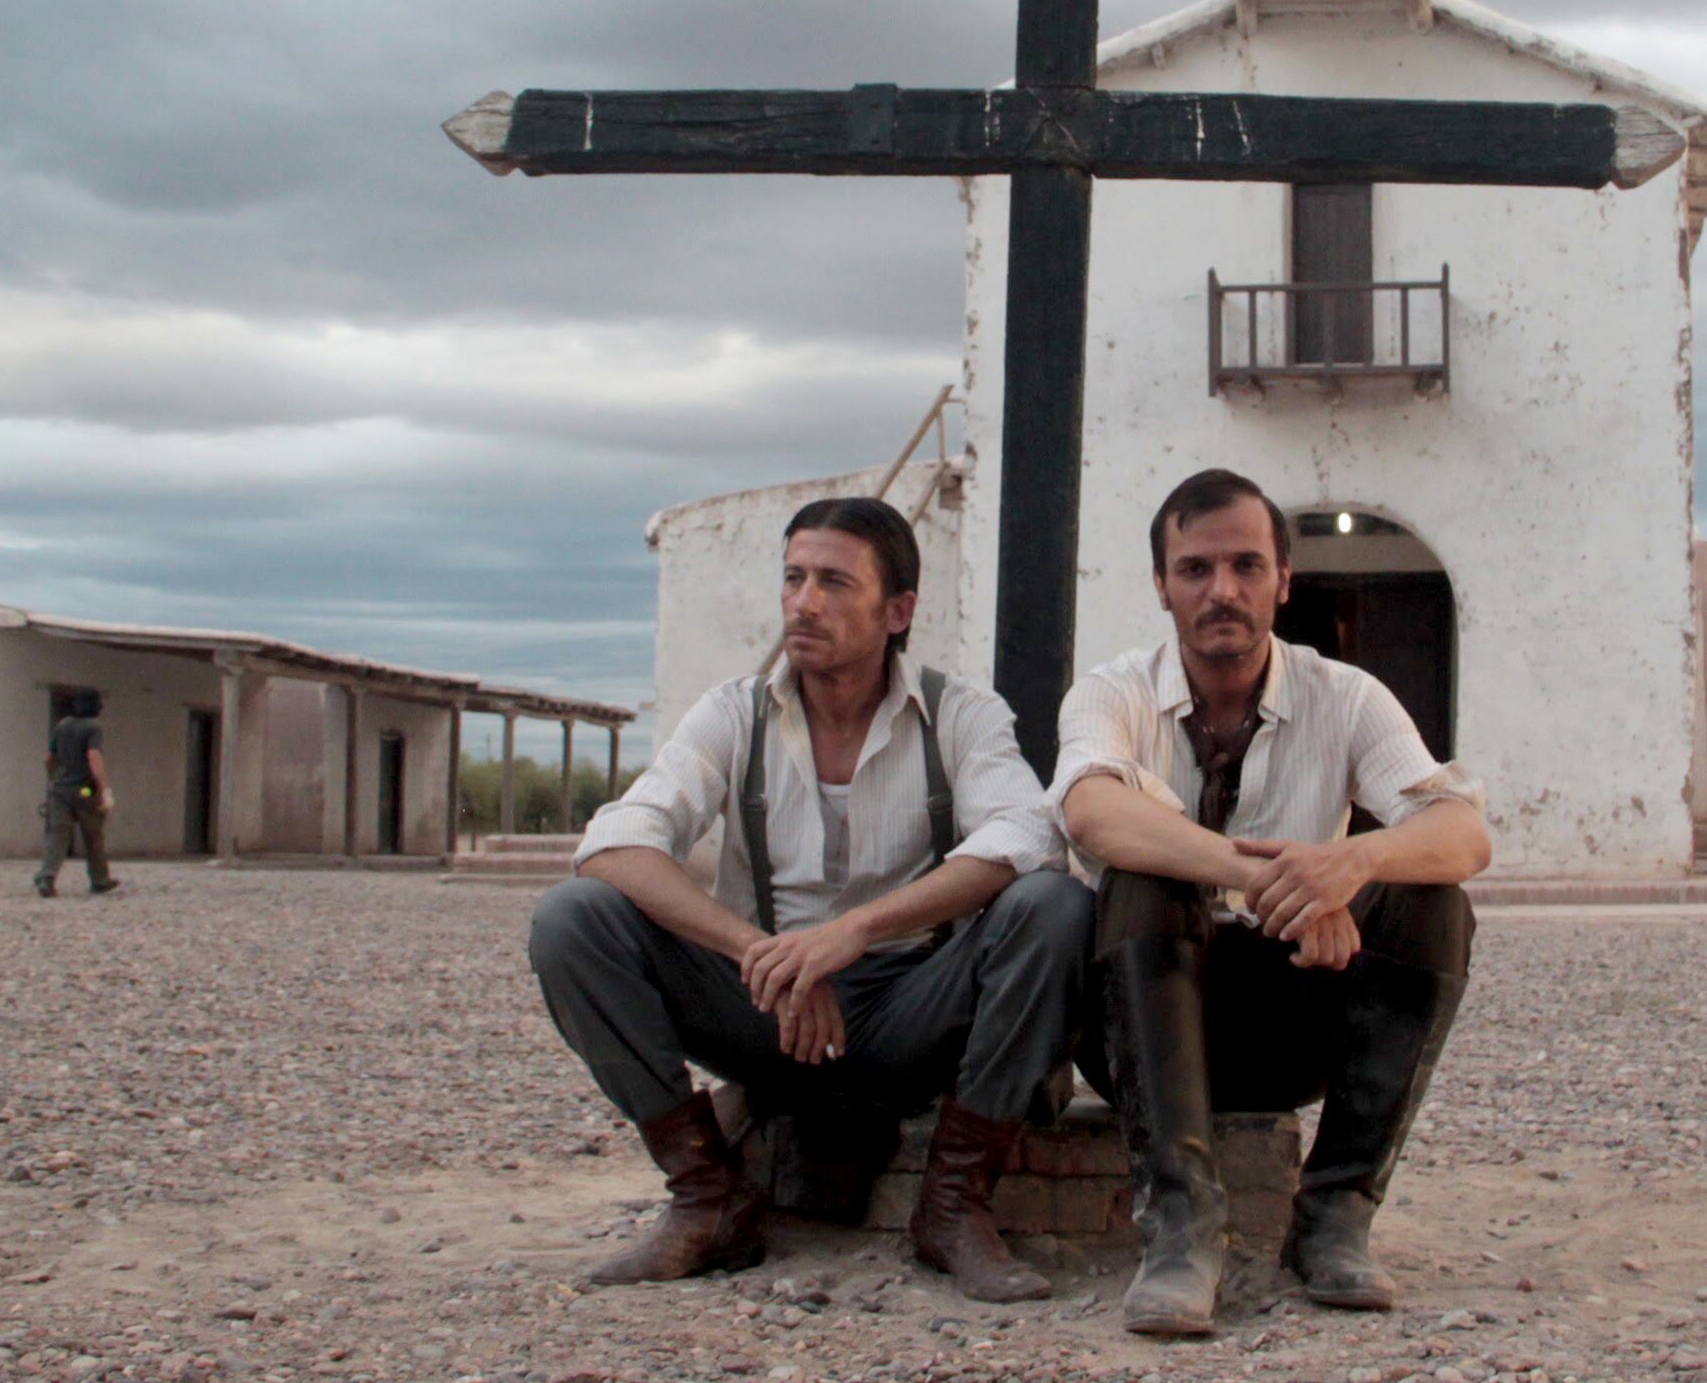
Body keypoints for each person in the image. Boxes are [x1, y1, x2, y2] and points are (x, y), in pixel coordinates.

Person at [530, 496, 1089, 1301]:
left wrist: (854, 932)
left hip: (912, 1006)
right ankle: (706, 1197)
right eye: (793, 577)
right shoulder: (733, 712)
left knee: (1052, 906)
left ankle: (952, 1205)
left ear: (897, 610)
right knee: (570, 919)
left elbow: (1026, 836)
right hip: (766, 1009)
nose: (803, 601)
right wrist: (758, 951)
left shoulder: (959, 713)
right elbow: (615, 843)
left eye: (833, 581)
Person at [1052, 469, 1491, 1337]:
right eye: (1195, 569)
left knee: (1433, 905)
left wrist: (1349, 863)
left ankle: (1334, 1213)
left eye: (1247, 565)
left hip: (1296, 1022)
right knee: (1142, 874)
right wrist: (1260, 880)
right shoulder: (1114, 690)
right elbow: (1089, 808)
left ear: (1283, 579)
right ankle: (1179, 1229)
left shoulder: (1345, 695)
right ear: (1161, 585)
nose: (1223, 591)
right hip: (1138, 1024)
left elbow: (1463, 833)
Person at [34, 699, 116, 897]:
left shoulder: (61, 726)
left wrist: (53, 779)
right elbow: (94, 756)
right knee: (93, 834)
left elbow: (48, 758)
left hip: (61, 790)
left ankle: (47, 876)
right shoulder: (93, 727)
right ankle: (99, 879)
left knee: (57, 834)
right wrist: (104, 790)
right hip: (85, 790)